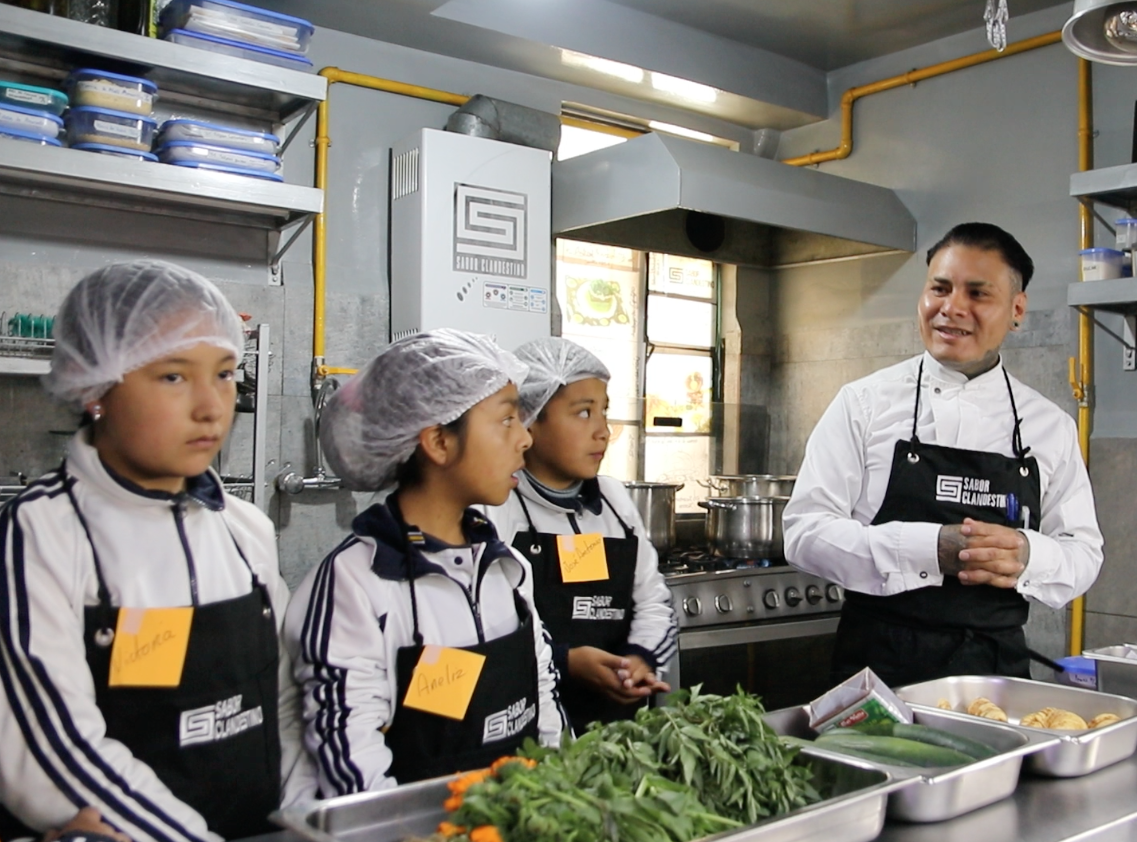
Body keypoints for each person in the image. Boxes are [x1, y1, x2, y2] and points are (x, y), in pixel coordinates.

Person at [0, 261, 315, 842]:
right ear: (95, 388)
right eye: (173, 376)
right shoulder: (43, 532)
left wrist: (302, 824)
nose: (212, 406)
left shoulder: (244, 529)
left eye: (225, 374)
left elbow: (284, 703)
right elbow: (55, 748)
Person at [783, 223, 1104, 687]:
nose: (952, 308)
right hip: (875, 674)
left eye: (977, 293)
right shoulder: (863, 404)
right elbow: (804, 532)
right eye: (940, 288)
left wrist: (1027, 553)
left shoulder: (1049, 426)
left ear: (1017, 310)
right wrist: (929, 549)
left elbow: (1084, 553)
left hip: (996, 678)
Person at [285, 329, 566, 796]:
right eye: (505, 420)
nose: (524, 438)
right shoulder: (353, 585)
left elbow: (545, 704)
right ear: (438, 442)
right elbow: (353, 766)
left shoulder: (507, 570)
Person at [481, 337, 676, 728]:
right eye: (584, 413)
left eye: (604, 411)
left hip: (621, 734)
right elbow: (486, 637)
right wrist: (565, 662)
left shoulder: (615, 502)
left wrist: (639, 660)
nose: (603, 431)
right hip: (533, 734)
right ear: (530, 419)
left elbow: (654, 602)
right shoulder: (496, 508)